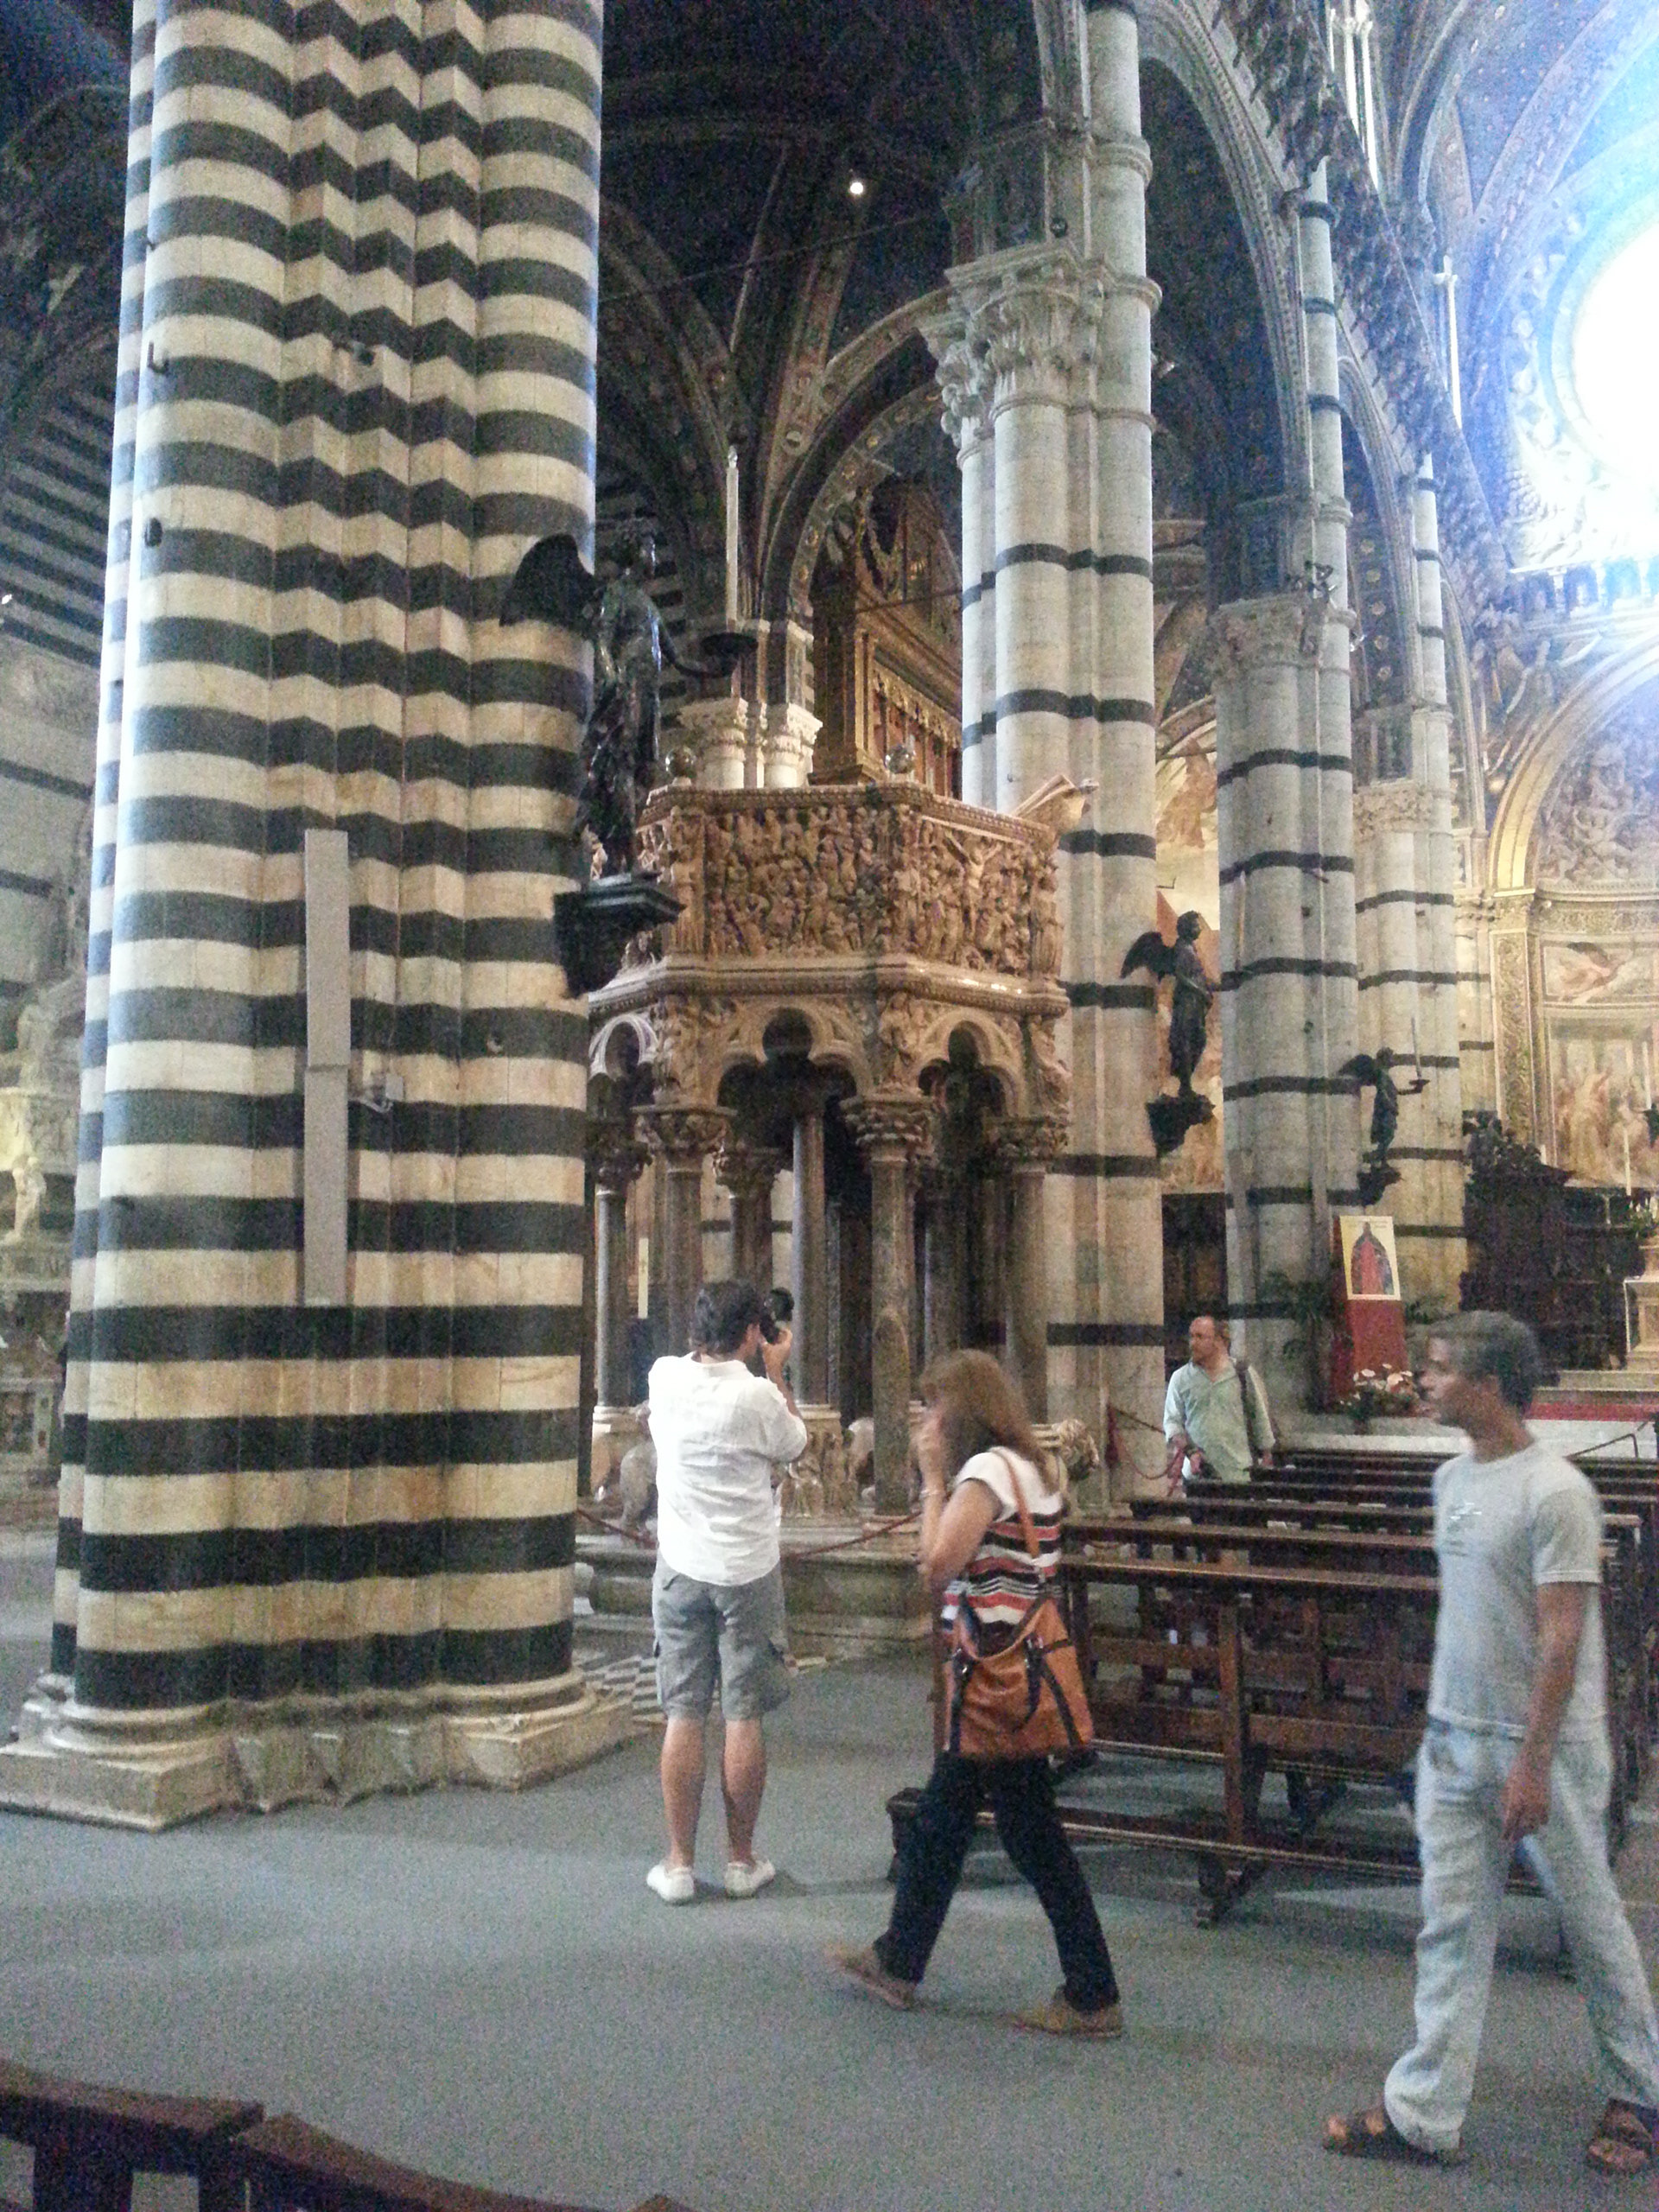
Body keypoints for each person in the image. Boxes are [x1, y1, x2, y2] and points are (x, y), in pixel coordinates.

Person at [1325, 1312, 1659, 2175]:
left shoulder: (1556, 1492)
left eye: (1441, 1368)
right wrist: (1436, 1732)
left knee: (1589, 1923)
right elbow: (1468, 1619)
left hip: (1541, 1747)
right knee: (1448, 1927)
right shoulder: (1449, 1479)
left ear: (1492, 1382)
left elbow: (1560, 1639)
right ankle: (1424, 2110)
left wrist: (1532, 1763)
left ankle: (1640, 2091)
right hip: (1456, 1739)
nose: (1424, 1378)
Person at [828, 1351, 1122, 2034]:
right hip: (1003, 1674)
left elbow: (936, 1566)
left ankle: (1092, 1991)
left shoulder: (987, 1471)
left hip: (996, 1680)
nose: (928, 1419)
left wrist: (932, 1482)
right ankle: (902, 1959)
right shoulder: (1031, 1468)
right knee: (957, 1823)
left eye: (935, 1407)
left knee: (1021, 1837)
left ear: (964, 1412)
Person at [645, 1278, 807, 1904]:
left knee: (683, 1712)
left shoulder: (664, 1376)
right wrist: (775, 1372)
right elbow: (795, 1447)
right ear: (750, 1334)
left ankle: (679, 1865)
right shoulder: (758, 1398)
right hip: (746, 1572)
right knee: (742, 1714)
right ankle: (741, 1861)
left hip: (681, 1567)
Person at [1163, 1314, 1274, 1486]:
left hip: (1239, 1472)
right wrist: (1191, 1453)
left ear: (1218, 1341)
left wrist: (1266, 1457)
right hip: (1198, 1475)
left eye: (1200, 1337)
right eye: (1191, 1337)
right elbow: (1172, 1423)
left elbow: (1259, 1415)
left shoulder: (1242, 1373)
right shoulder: (1180, 1378)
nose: (1193, 1343)